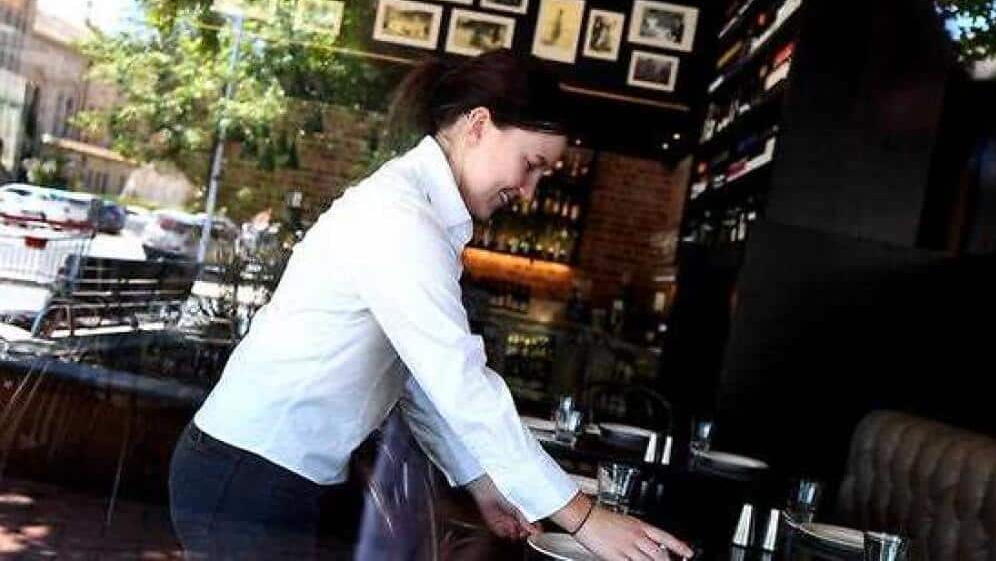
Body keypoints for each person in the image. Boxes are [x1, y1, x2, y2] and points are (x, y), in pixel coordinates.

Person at [170, 50, 693, 561]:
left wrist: (481, 481)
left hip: (261, 473)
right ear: (479, 125)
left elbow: (416, 382)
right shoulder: (400, 217)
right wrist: (584, 518)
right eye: (530, 164)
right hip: (246, 475)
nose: (530, 191)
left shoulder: (423, 214)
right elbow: (459, 380)